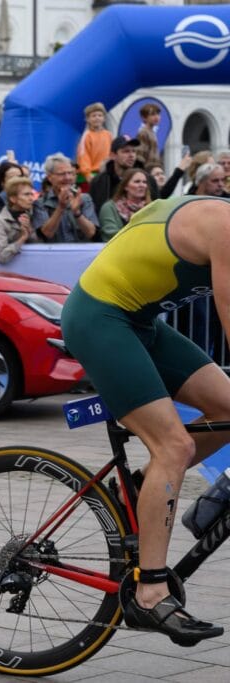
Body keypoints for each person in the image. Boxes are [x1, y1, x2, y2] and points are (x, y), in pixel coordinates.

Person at [60, 195, 230, 645]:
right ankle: (150, 591)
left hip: (140, 322)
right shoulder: (226, 226)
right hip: (100, 318)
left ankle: (137, 490)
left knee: (229, 410)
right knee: (173, 446)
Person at [32, 153, 99, 242]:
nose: (68, 178)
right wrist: (60, 208)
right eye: (62, 174)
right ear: (50, 177)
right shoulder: (40, 203)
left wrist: (77, 213)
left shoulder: (84, 198)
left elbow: (92, 233)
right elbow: (46, 234)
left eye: (70, 173)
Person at [90, 135, 159, 210]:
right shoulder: (99, 182)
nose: (131, 155)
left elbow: (157, 208)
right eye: (126, 151)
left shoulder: (148, 180)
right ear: (113, 155)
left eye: (134, 151)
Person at [0, 176, 38, 264]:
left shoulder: (32, 214)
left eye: (31, 194)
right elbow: (2, 257)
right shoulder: (0, 222)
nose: (31, 198)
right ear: (13, 199)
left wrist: (29, 231)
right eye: (26, 194)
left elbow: (40, 246)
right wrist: (22, 238)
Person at [98, 168, 152, 241]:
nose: (142, 185)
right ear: (125, 186)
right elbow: (111, 235)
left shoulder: (152, 207)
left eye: (144, 182)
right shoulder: (109, 207)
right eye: (137, 182)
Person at [75, 102, 112, 181]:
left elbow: (111, 153)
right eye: (93, 116)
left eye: (100, 115)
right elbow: (83, 156)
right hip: (91, 174)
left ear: (104, 118)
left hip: (106, 172)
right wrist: (87, 174)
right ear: (87, 119)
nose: (97, 118)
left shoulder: (108, 134)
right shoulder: (87, 136)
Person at [136, 103, 163, 169]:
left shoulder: (152, 133)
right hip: (147, 170)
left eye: (158, 114)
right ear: (144, 118)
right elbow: (140, 155)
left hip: (154, 169)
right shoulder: (143, 132)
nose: (157, 117)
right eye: (153, 114)